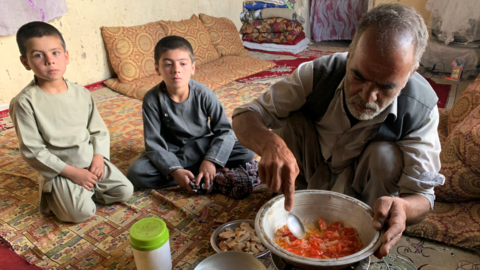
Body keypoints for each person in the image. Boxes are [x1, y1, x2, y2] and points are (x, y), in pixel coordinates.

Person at [232, 3, 445, 257]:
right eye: (359, 77)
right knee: (290, 120)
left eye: (386, 88)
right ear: (350, 52)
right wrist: (269, 145)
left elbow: (422, 196)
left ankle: (363, 236)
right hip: (307, 175)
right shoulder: (319, 73)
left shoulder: (421, 108)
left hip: (363, 194)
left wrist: (403, 207)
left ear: (410, 73)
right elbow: (245, 115)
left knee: (386, 156)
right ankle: (289, 210)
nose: (368, 96)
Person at [9, 22, 133, 223]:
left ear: (66, 56)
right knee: (80, 213)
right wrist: (73, 173)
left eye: (55, 53)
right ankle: (59, 193)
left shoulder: (82, 93)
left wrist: (99, 158)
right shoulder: (25, 102)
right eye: (38, 55)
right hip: (61, 168)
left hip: (90, 161)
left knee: (124, 191)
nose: (50, 61)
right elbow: (33, 150)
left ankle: (83, 190)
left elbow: (98, 131)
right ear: (25, 62)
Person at [127, 36, 256, 195]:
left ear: (193, 67)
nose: (176, 70)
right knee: (137, 173)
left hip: (202, 146)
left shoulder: (204, 94)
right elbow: (154, 144)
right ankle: (200, 173)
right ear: (157, 69)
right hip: (172, 152)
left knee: (247, 150)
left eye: (183, 63)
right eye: (168, 64)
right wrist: (175, 170)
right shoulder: (152, 99)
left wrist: (210, 160)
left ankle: (206, 169)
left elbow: (225, 131)